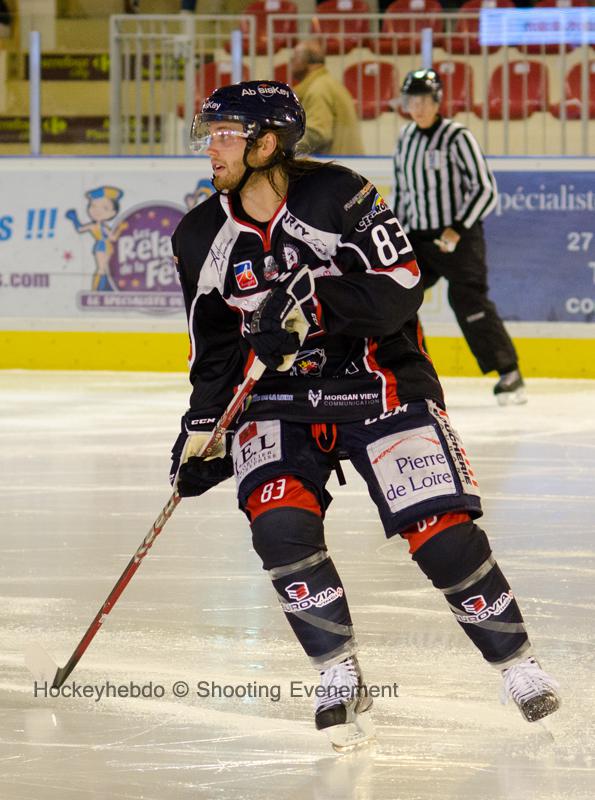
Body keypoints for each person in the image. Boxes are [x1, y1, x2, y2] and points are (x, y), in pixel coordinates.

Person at [170, 80, 559, 751]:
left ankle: (517, 665)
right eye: (212, 135)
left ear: (267, 143)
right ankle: (336, 671)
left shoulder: (337, 194)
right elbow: (213, 348)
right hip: (279, 400)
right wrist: (203, 430)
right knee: (278, 522)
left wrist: (310, 307)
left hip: (377, 382)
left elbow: (399, 287)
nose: (213, 148)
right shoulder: (199, 234)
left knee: (441, 533)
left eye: (227, 134)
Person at [393, 68, 526, 405]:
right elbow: (404, 194)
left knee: (468, 300)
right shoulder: (405, 138)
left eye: (424, 100)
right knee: (395, 297)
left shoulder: (457, 136)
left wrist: (457, 228)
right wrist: (397, 237)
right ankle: (404, 370)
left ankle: (509, 372)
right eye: (412, 100)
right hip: (418, 239)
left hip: (459, 237)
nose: (417, 107)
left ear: (437, 101)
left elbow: (485, 189)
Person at [289, 39, 364, 156]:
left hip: (337, 165)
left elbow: (318, 133)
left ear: (306, 61)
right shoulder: (329, 83)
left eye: (294, 57)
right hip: (345, 162)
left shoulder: (318, 89)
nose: (291, 62)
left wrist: (283, 145)